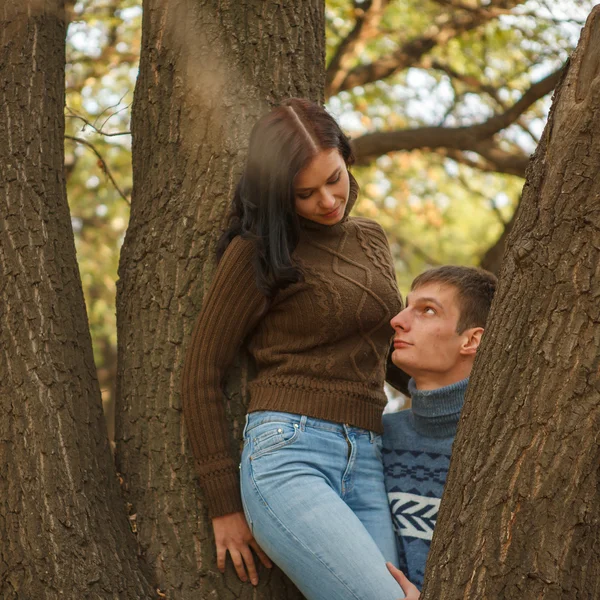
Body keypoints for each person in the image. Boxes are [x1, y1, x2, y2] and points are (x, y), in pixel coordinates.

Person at [182, 98, 412, 600]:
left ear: (345, 157)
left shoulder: (371, 239)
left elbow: (386, 351)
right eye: (304, 194)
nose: (328, 201)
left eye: (334, 178)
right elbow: (201, 371)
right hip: (290, 456)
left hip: (370, 458)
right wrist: (223, 505)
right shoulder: (259, 250)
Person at [382, 265, 497, 588]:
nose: (398, 320)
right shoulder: (375, 436)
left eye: (427, 310)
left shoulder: (508, 450)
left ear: (471, 340)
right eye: (406, 306)